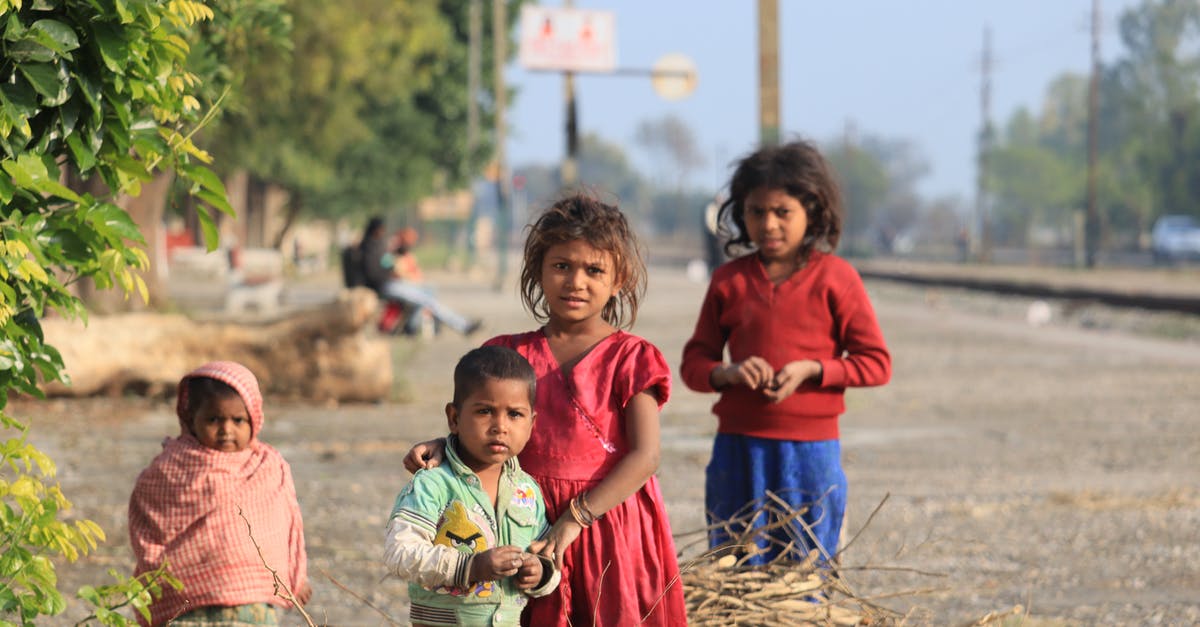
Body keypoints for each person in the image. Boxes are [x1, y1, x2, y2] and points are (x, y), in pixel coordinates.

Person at [404, 195, 687, 626]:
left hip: (607, 525)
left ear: (619, 279)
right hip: (519, 523)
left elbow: (645, 457)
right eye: (562, 266)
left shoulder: (632, 358)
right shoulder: (506, 354)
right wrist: (445, 445)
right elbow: (483, 423)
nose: (576, 281)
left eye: (594, 270)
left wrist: (576, 519)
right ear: (538, 270)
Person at [679, 139, 892, 566]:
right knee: (736, 562)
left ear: (811, 211)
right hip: (738, 447)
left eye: (783, 212)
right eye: (756, 212)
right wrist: (729, 372)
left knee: (807, 566)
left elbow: (876, 363)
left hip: (812, 450)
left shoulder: (837, 278)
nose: (769, 224)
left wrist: (814, 369)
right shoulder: (729, 281)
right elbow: (693, 364)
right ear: (741, 214)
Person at [384, 346, 561, 626]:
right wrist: (470, 566)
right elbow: (400, 553)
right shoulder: (434, 483)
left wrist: (540, 573)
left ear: (531, 424)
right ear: (454, 418)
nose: (500, 426)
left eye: (514, 414)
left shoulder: (526, 491)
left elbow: (547, 553)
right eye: (485, 411)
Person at [128, 361, 311, 626]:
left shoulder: (267, 466)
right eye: (213, 419)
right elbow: (146, 526)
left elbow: (289, 526)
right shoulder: (168, 470)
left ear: (254, 418)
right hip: (188, 605)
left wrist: (296, 576)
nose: (227, 429)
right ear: (191, 419)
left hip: (255, 603)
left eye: (238, 420)